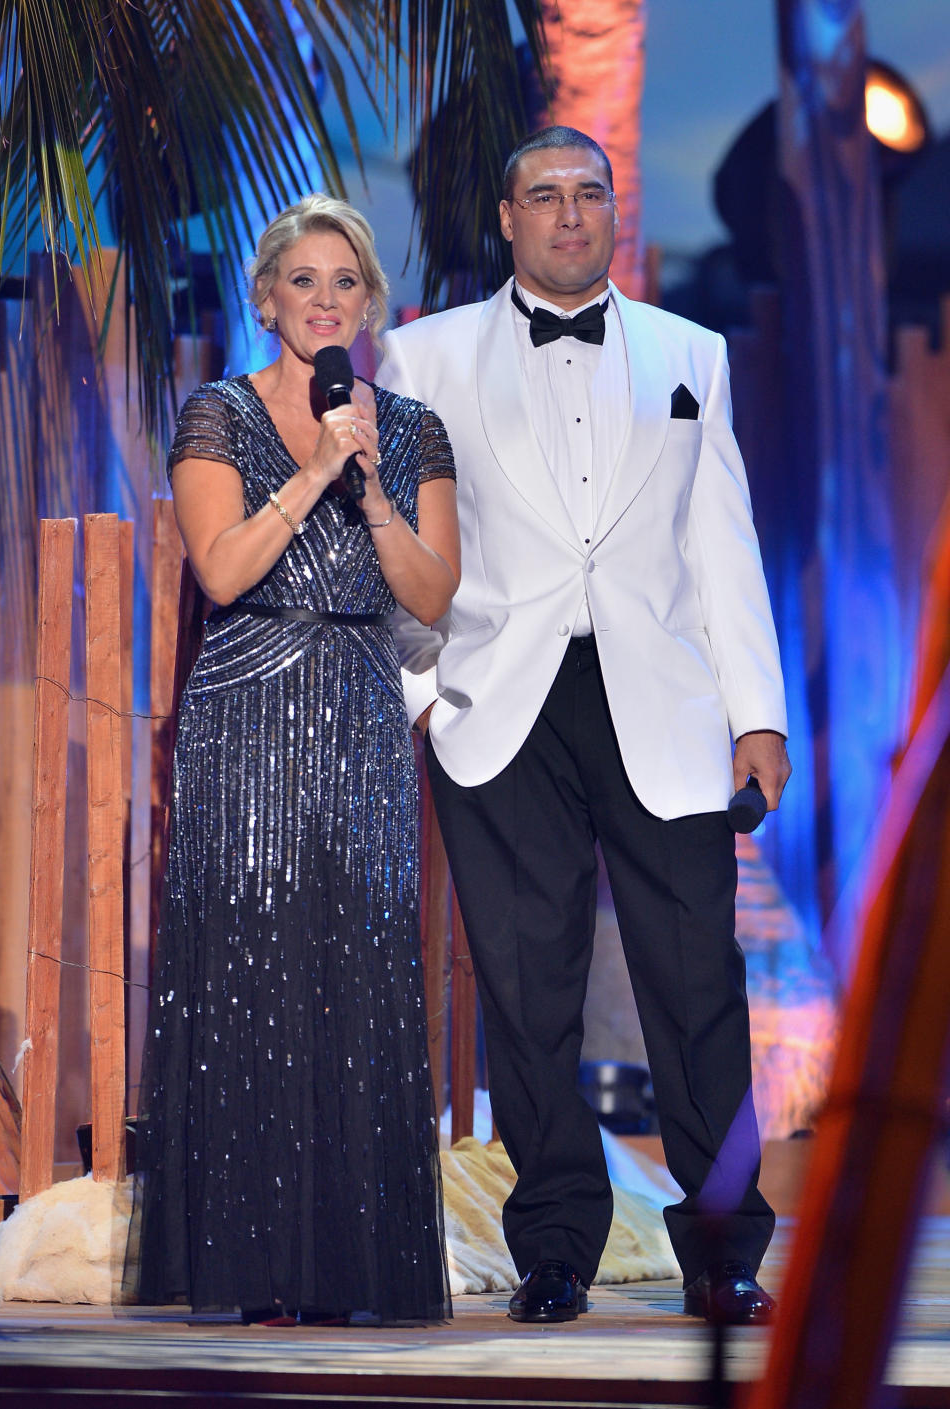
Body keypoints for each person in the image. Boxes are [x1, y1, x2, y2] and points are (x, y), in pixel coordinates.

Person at [377, 127, 791, 1327]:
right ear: (506, 219)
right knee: (526, 987)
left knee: (697, 981)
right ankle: (555, 1243)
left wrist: (758, 715)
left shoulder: (689, 352)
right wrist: (420, 696)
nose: (569, 215)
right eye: (544, 197)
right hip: (498, 702)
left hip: (659, 697)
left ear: (615, 210)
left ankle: (725, 1252)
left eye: (589, 195)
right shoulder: (424, 354)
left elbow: (725, 544)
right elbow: (394, 536)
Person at [130, 195, 458, 1326]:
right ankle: (251, 1261)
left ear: (370, 302)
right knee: (257, 973)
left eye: (345, 283)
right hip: (246, 714)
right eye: (303, 282)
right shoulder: (215, 414)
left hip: (362, 713)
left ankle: (353, 1262)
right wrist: (316, 467)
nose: (325, 301)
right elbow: (221, 571)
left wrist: (366, 484)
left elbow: (431, 592)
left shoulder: (411, 429)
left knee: (355, 966)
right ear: (266, 297)